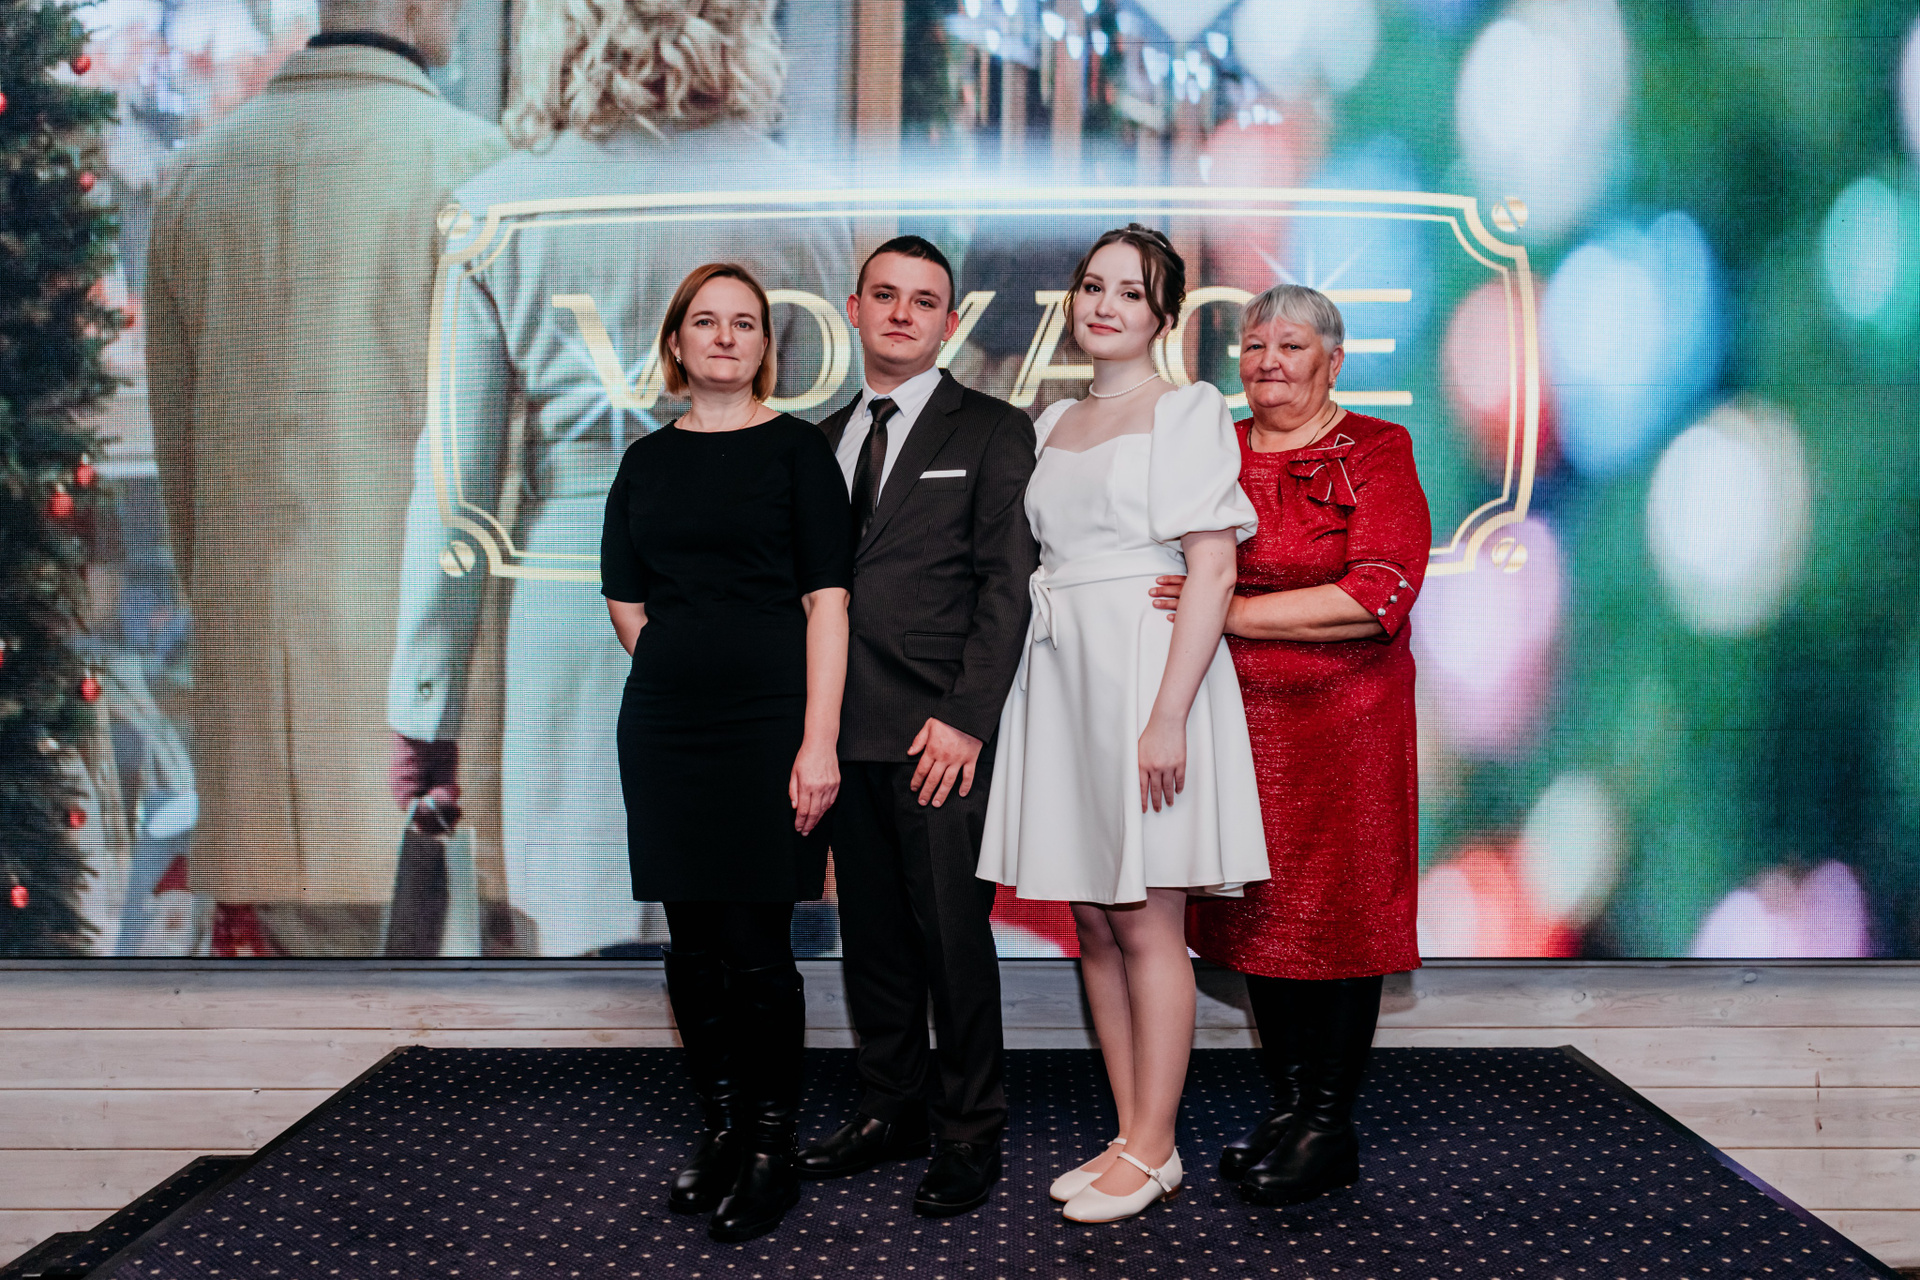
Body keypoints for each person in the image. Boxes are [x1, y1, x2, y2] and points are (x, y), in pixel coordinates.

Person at [384, 0, 852, 955]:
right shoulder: (798, 204)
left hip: (574, 605)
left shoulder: (499, 211)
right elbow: (831, 471)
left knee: (588, 944)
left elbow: (455, 488)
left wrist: (426, 707)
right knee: (745, 937)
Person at [145, 0, 505, 955]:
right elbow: (497, 476)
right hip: (433, 749)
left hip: (268, 756)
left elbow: (185, 493)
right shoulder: (481, 168)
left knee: (295, 1044)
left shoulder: (198, 178)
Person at [977, 224, 1267, 1224]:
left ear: (1164, 315)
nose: (1106, 305)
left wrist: (1168, 715)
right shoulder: (1053, 420)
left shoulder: (1188, 409)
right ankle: (1131, 1133)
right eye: (1093, 286)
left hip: (1147, 675)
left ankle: (1153, 1146)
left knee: (1149, 921)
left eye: (1131, 292)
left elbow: (1213, 569)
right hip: (1063, 678)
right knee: (1094, 921)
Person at [1150, 283, 1431, 1207]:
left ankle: (1328, 1124)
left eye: (1293, 345)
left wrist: (1229, 611)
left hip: (1347, 732)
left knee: (1336, 920)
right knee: (1260, 918)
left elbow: (1377, 594)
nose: (1269, 361)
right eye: (1255, 344)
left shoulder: (1378, 448)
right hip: (1237, 724)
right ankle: (1291, 1108)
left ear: (1333, 362)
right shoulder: (1217, 449)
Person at [601, 262, 851, 1242]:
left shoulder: (798, 451)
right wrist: (685, 668)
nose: (724, 336)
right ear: (676, 342)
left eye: (744, 323)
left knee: (756, 947)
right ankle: (720, 1128)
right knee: (693, 946)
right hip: (666, 729)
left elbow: (827, 602)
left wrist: (817, 740)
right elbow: (627, 600)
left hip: (773, 728)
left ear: (764, 347)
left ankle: (769, 1148)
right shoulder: (644, 462)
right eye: (705, 321)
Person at [796, 237, 1038, 1218]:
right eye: (886, 296)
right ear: (853, 308)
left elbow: (1008, 587)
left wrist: (966, 720)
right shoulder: (818, 439)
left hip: (941, 736)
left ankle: (970, 1129)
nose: (903, 313)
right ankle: (888, 1108)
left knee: (951, 940)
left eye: (924, 300)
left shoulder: (994, 428)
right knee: (873, 940)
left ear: (950, 320)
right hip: (840, 730)